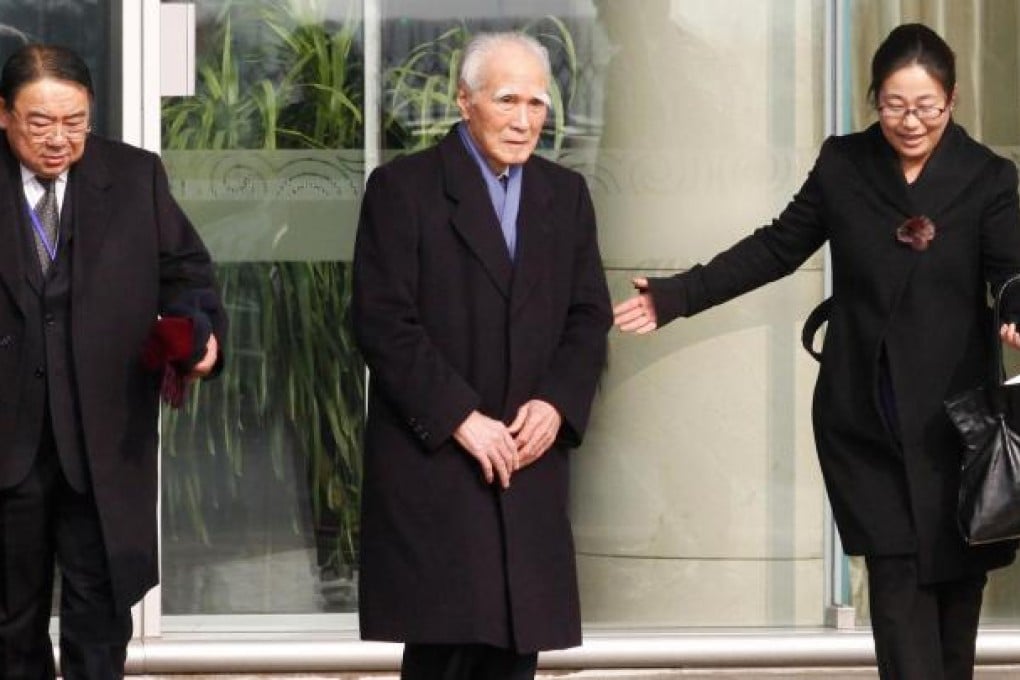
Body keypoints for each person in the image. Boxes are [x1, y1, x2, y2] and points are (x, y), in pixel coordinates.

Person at [613, 23, 1020, 680]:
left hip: (958, 433)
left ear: (952, 101)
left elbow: (1008, 270)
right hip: (869, 424)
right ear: (872, 99)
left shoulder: (988, 176)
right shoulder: (844, 164)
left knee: (953, 617)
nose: (911, 122)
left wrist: (1015, 310)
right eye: (894, 105)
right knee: (898, 599)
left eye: (927, 107)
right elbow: (776, 247)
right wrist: (678, 294)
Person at [352, 31, 611, 680]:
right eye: (506, 101)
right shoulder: (402, 189)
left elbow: (588, 316)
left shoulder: (565, 195)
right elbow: (382, 320)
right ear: (463, 101)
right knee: (444, 650)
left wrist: (557, 402)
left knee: (514, 652)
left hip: (527, 457)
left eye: (537, 103)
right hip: (439, 459)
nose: (524, 120)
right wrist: (460, 417)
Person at [0, 44, 226, 678]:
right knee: (8, 619)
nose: (58, 140)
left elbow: (186, 272)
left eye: (75, 122)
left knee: (101, 612)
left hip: (103, 434)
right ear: (4, 115)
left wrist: (199, 334)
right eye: (40, 122)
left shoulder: (134, 177)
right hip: (9, 441)